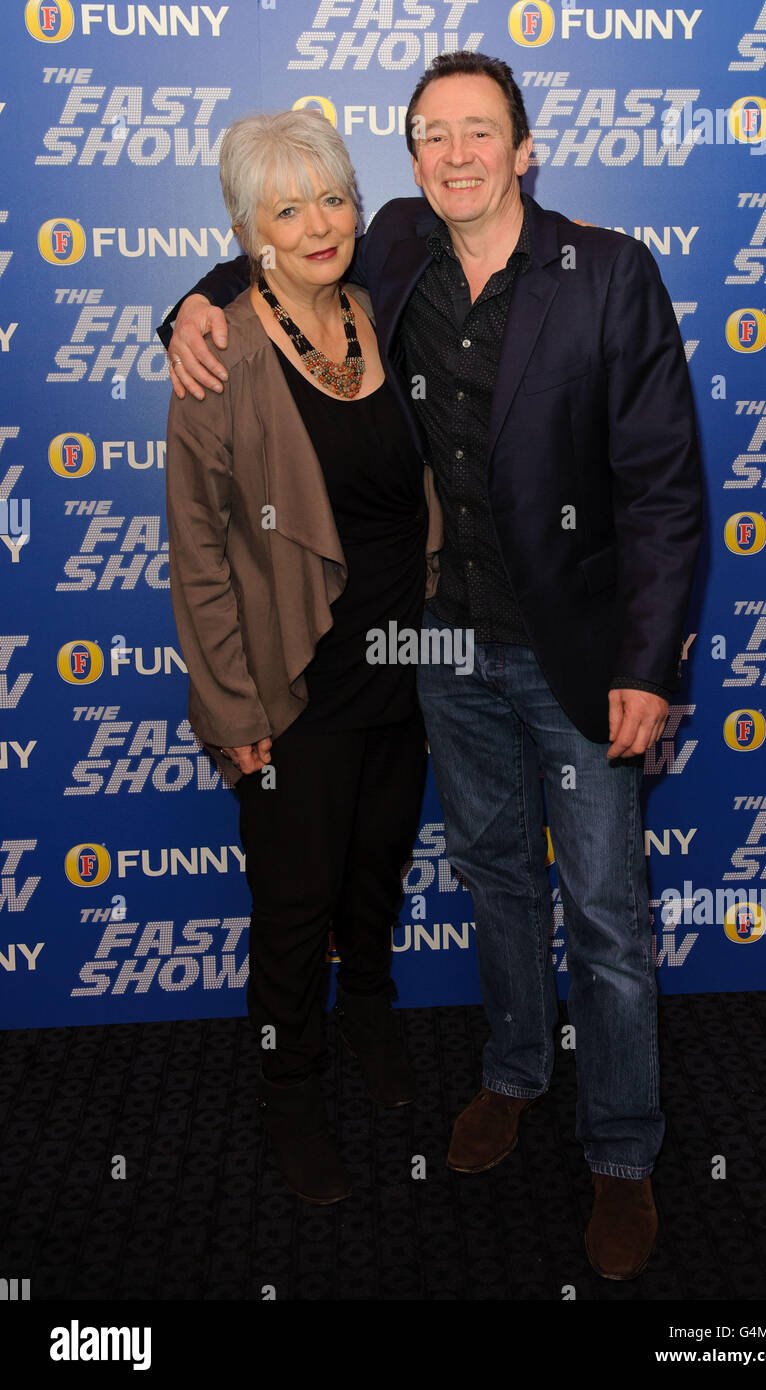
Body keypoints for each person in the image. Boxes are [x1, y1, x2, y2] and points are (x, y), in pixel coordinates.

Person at [159, 52, 702, 1278]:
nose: (454, 154)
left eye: (480, 133)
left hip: (575, 655)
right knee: (496, 880)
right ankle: (513, 1075)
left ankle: (621, 1153)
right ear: (412, 161)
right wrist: (189, 303)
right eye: (430, 135)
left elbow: (665, 487)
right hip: (442, 651)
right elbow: (277, 247)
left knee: (608, 922)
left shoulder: (608, 272)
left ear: (524, 149)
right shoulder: (394, 245)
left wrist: (649, 662)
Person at [164, 108, 442, 1206]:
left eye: (331, 197)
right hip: (292, 684)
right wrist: (233, 709)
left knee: (375, 875)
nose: (318, 224)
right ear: (248, 230)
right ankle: (290, 1094)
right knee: (291, 906)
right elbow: (197, 553)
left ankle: (369, 1018)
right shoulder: (217, 350)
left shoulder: (384, 311)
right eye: (287, 208)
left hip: (407, 665)